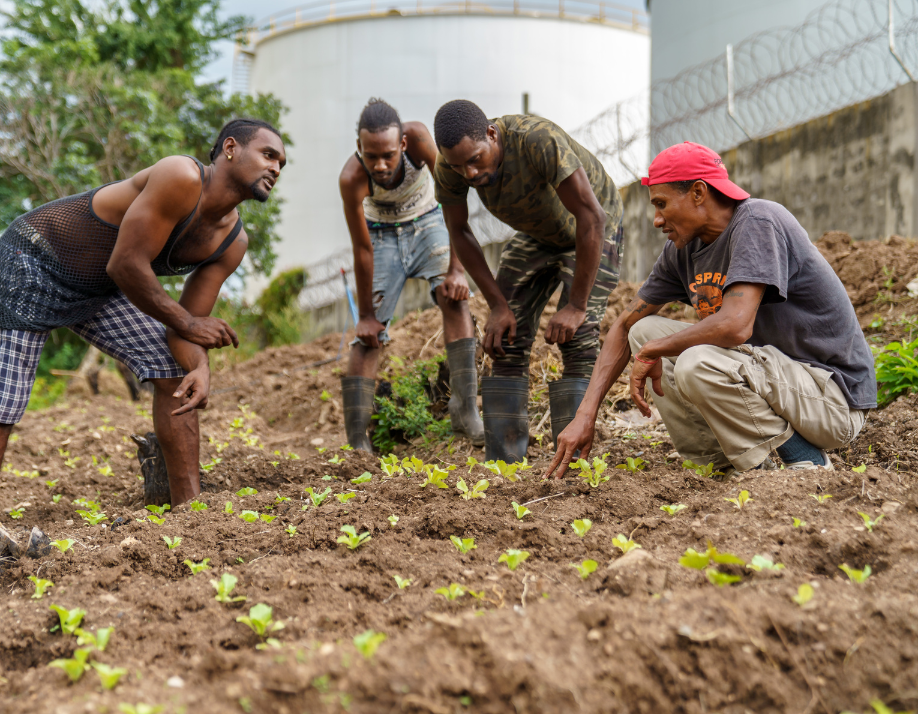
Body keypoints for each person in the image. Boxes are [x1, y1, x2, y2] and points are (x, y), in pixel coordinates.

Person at [0, 119, 286, 509]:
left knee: (174, 372)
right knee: (1, 404)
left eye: (282, 163)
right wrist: (188, 323)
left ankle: (190, 512)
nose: (276, 168)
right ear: (231, 148)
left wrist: (200, 366)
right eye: (268, 155)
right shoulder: (180, 176)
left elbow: (185, 329)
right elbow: (127, 265)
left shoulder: (232, 243)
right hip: (33, 260)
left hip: (97, 289)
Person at [546, 141, 875, 480]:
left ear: (699, 193)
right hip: (777, 383)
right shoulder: (682, 250)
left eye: (661, 204)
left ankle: (805, 459)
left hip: (831, 401)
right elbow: (625, 325)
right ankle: (720, 462)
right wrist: (585, 414)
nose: (657, 220)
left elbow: (735, 326)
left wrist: (656, 350)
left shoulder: (758, 222)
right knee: (642, 331)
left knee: (695, 361)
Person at [431, 99, 624, 462]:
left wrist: (575, 305)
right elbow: (459, 231)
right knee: (503, 339)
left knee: (578, 339)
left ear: (491, 134)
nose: (468, 174)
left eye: (475, 160)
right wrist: (498, 306)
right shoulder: (449, 164)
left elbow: (592, 218)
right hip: (537, 234)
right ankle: (505, 464)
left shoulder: (536, 140)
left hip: (594, 228)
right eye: (459, 167)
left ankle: (574, 463)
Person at [338, 99, 483, 451]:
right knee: (368, 336)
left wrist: (456, 270)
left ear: (402, 144)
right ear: (360, 149)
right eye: (371, 156)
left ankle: (465, 412)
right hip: (381, 235)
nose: (381, 164)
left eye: (388, 154)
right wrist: (368, 317)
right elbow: (361, 249)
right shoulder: (352, 178)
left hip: (429, 222)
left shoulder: (419, 140)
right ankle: (358, 443)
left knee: (455, 299)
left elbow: (452, 196)